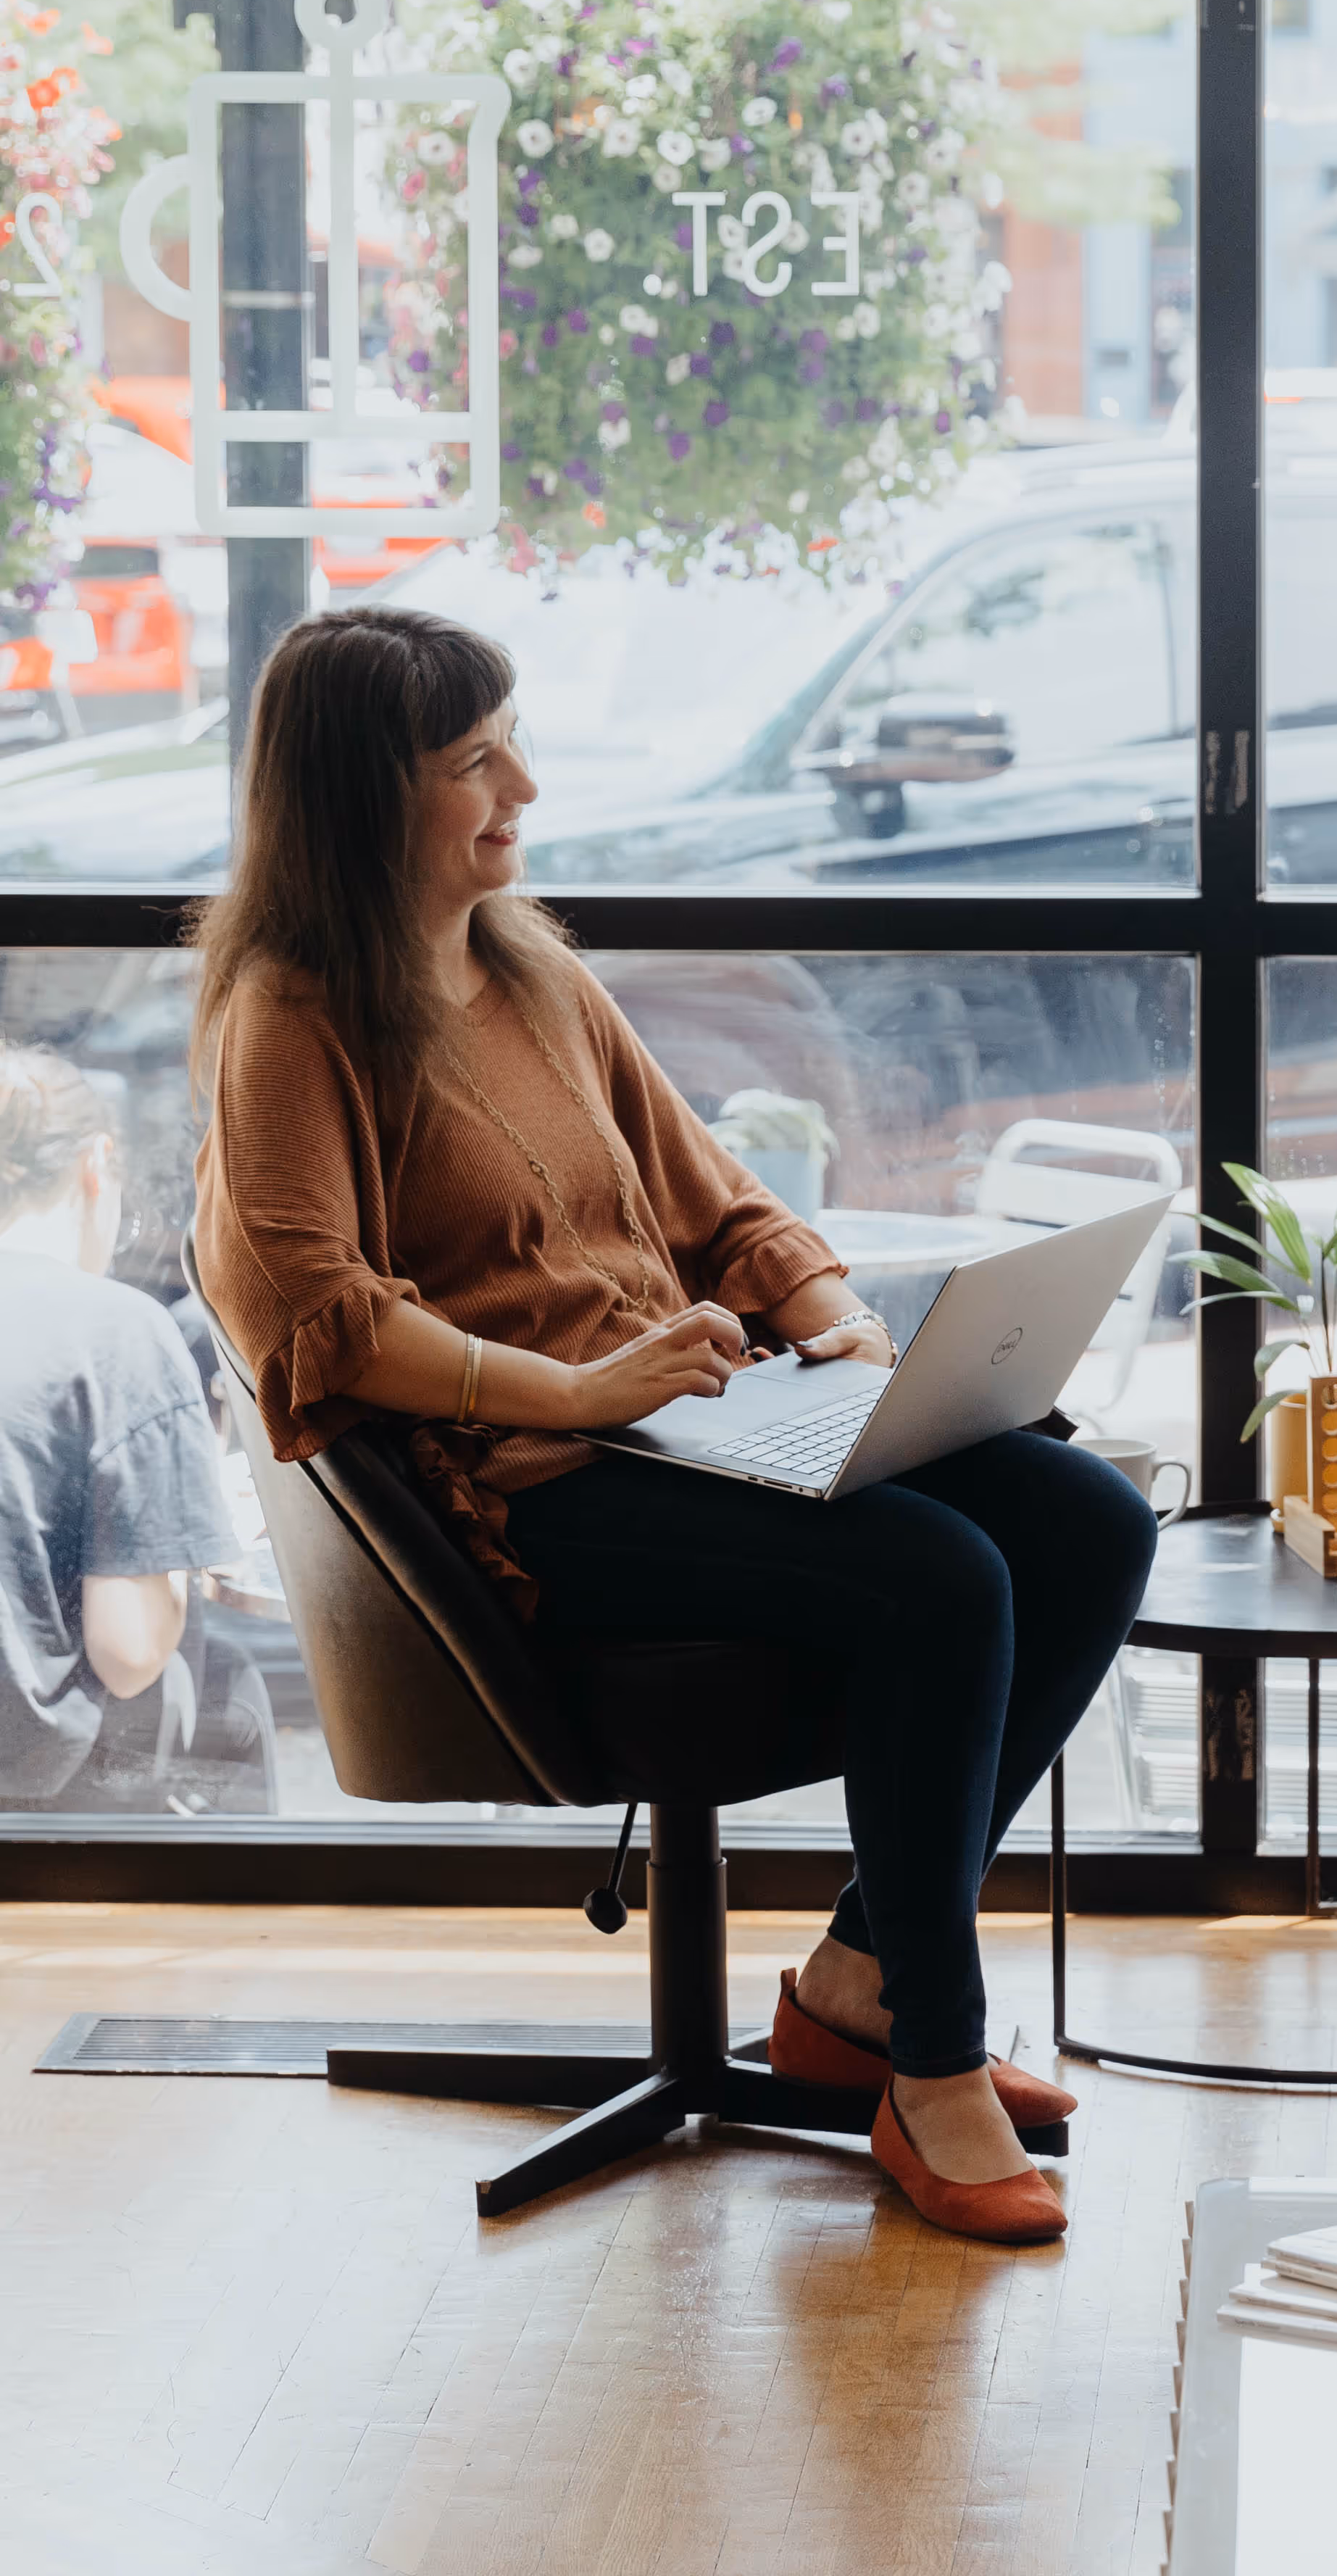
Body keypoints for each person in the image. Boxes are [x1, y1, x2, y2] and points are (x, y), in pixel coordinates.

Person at [191, 604, 1157, 2243]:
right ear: (364, 796)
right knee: (942, 1578)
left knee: (1087, 1517)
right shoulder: (292, 1022)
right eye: (472, 761)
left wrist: (837, 1329)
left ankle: (858, 1974)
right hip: (537, 1488)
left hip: (695, 1420)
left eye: (513, 740)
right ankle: (930, 2063)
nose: (525, 785)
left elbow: (719, 1199)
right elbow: (316, 1309)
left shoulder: (530, 966)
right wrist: (573, 1390)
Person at [0, 1043, 238, 1806]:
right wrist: (185, 1532)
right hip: (31, 1801)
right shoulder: (119, 1330)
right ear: (96, 1163)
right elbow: (130, 1649)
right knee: (234, 1687)